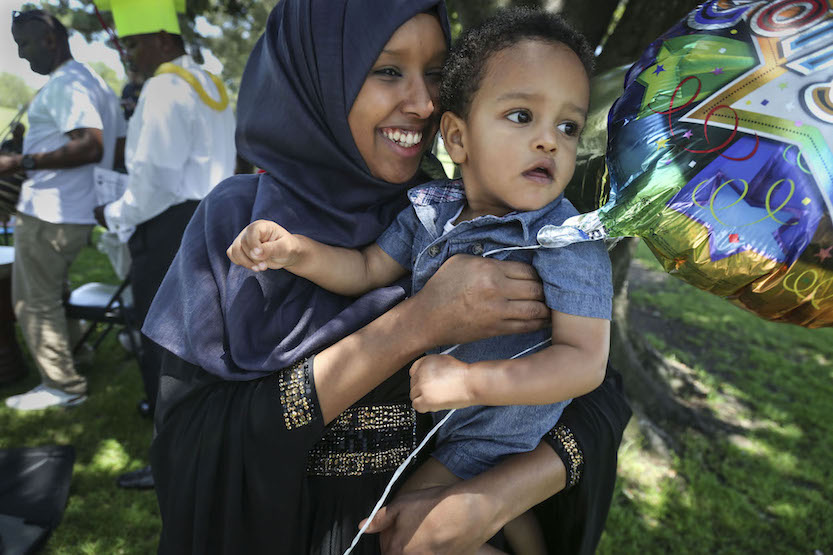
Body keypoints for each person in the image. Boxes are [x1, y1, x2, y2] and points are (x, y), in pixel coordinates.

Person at [144, 1, 631, 553]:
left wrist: (491, 499)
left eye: (438, 74)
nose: (423, 103)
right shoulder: (241, 220)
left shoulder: (476, 216)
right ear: (319, 76)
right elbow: (194, 445)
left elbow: (597, 394)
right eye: (387, 71)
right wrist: (418, 323)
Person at [92, 0, 236, 460]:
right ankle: (199, 430)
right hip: (212, 220)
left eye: (132, 44)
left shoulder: (162, 90)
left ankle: (169, 456)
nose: (127, 54)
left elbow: (153, 181)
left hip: (167, 226)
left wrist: (113, 214)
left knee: (163, 344)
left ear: (162, 38)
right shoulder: (212, 81)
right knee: (204, 337)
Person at [1, 9, 123, 411]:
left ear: (49, 40)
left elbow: (91, 144)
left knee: (33, 301)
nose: (20, 55)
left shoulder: (67, 85)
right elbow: (116, 148)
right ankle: (78, 355)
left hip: (51, 211)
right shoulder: (94, 82)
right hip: (77, 210)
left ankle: (62, 386)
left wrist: (21, 163)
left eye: (24, 44)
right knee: (53, 291)